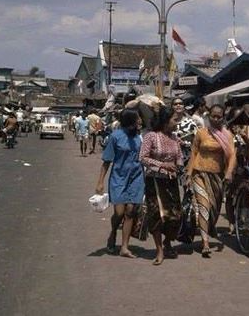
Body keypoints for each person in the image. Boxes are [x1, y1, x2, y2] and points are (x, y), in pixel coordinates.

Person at [186, 104, 236, 258]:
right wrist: (189, 174)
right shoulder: (201, 133)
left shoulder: (227, 135)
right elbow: (193, 153)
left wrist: (228, 173)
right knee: (204, 206)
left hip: (217, 177)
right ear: (208, 116)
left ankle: (207, 230)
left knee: (213, 211)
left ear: (223, 117)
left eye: (218, 116)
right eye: (213, 116)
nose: (215, 119)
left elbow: (233, 155)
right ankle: (205, 243)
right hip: (199, 174)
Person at [95, 109, 145, 257]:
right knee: (119, 212)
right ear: (130, 121)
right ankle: (113, 233)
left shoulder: (140, 138)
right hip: (119, 178)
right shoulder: (115, 137)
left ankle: (124, 247)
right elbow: (107, 161)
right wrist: (100, 182)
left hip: (136, 178)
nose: (140, 121)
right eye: (137, 119)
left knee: (131, 211)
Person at [140, 107, 183, 265]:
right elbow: (143, 158)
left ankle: (168, 241)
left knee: (175, 216)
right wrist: (162, 165)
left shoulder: (174, 138)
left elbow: (179, 157)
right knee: (157, 216)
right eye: (175, 120)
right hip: (154, 182)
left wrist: (178, 166)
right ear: (165, 121)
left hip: (171, 182)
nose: (177, 123)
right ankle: (159, 249)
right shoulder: (151, 136)